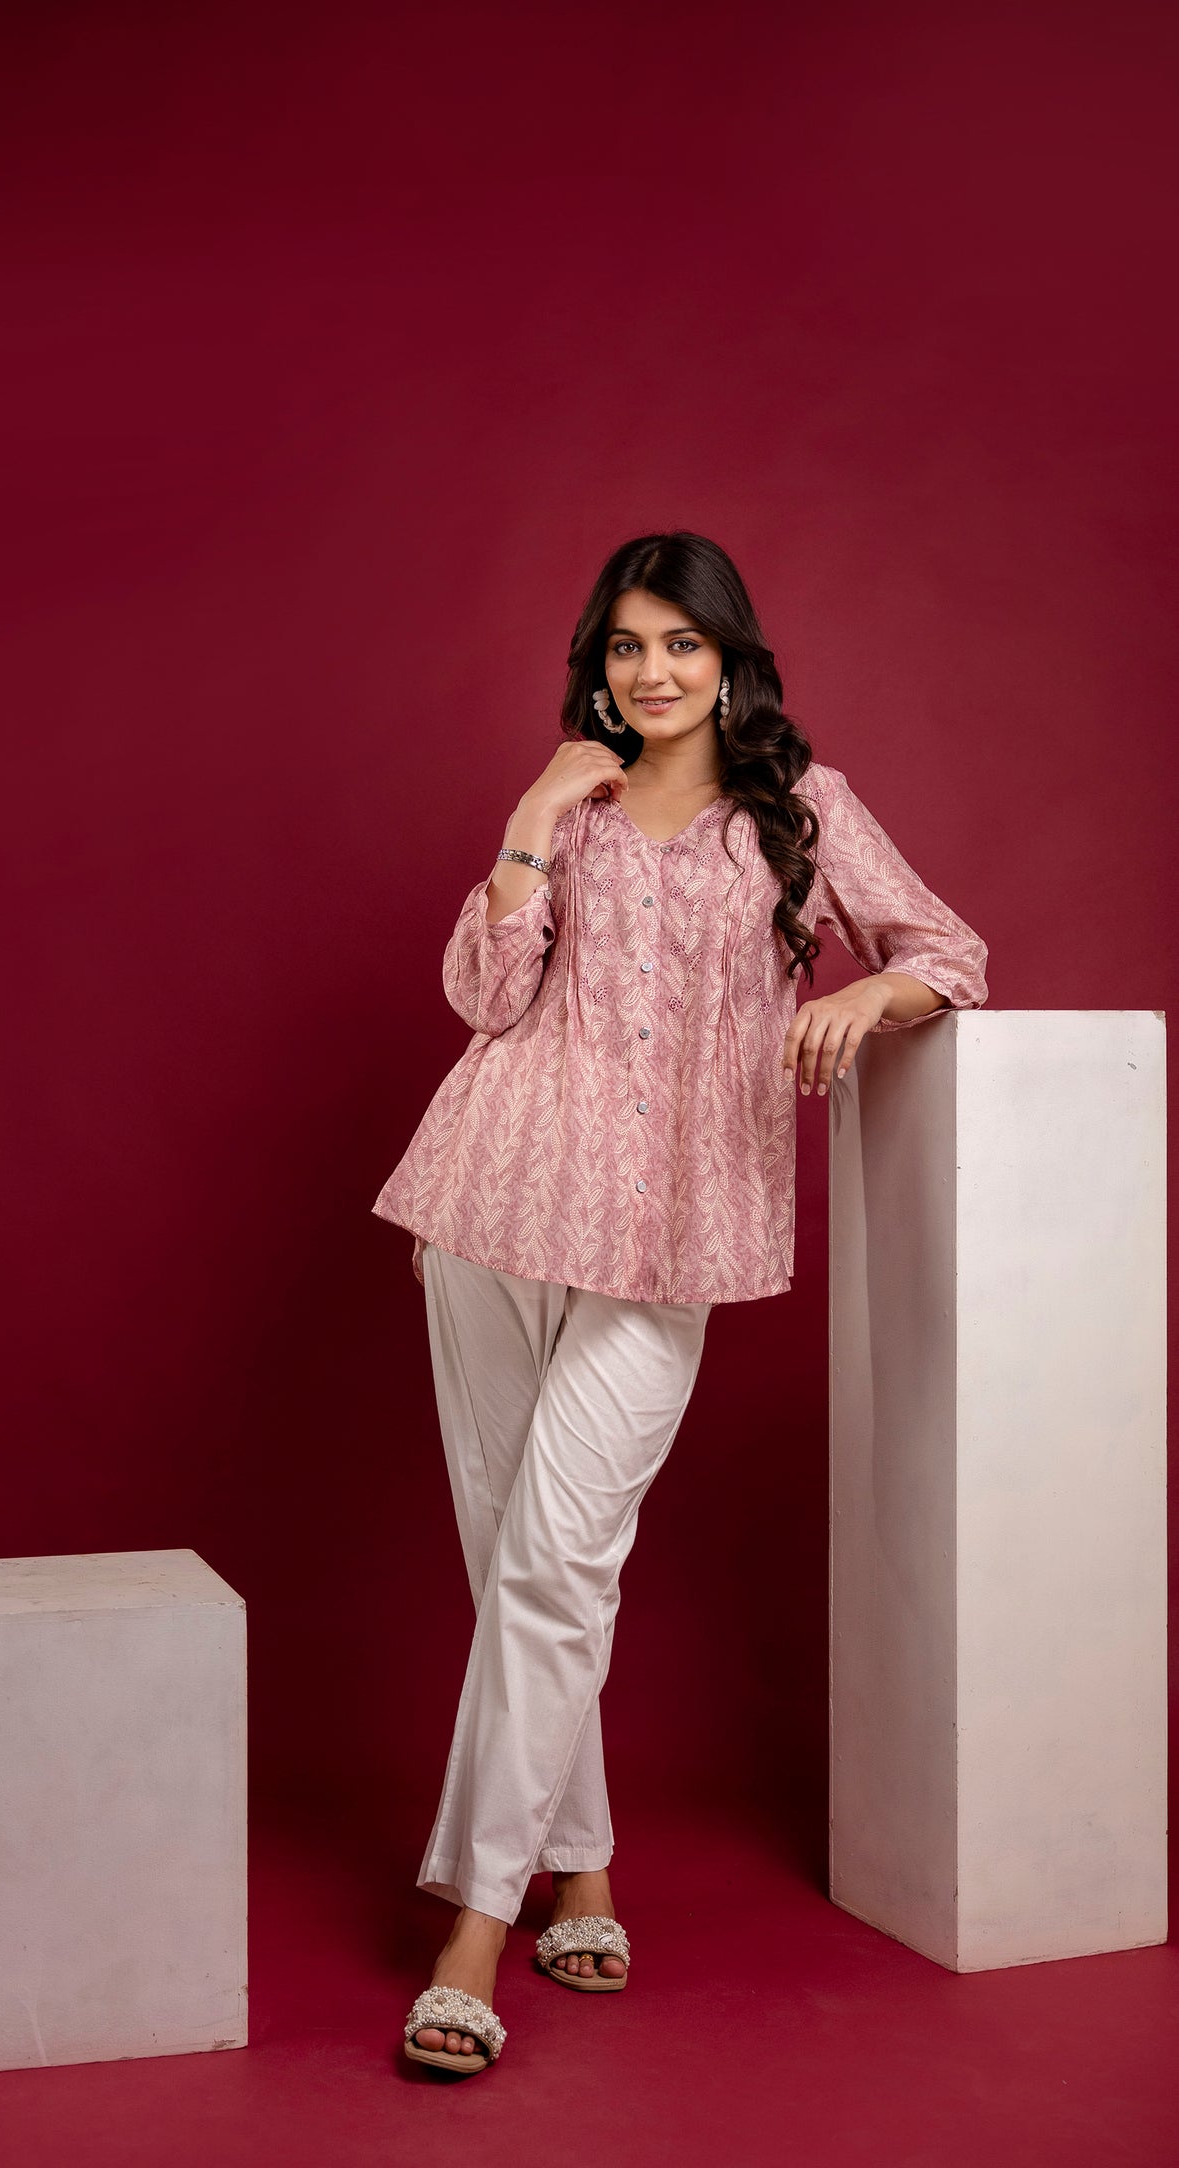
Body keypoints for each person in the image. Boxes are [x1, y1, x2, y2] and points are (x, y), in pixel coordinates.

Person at [372, 530, 990, 2076]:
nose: (652, 672)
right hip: (489, 1209)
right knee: (519, 1567)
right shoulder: (569, 812)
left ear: (729, 661)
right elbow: (481, 1000)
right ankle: (576, 1872)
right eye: (626, 645)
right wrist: (527, 821)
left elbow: (949, 952)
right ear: (597, 665)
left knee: (556, 1564)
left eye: (681, 644)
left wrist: (865, 989)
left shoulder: (802, 807)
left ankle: (470, 1932)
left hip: (674, 1238)